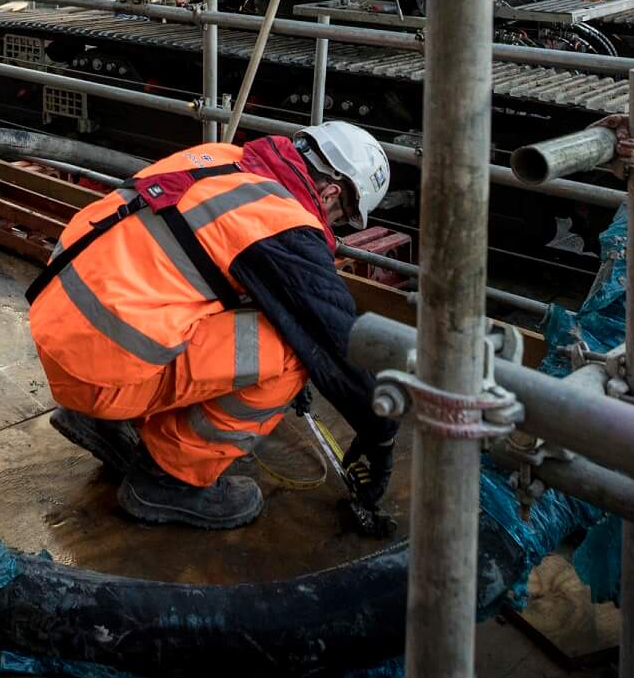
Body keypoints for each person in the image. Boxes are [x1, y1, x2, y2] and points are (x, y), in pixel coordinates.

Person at [29, 121, 397, 529]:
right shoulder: (282, 222)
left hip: (59, 330)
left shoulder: (224, 159)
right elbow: (340, 345)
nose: (332, 227)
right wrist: (380, 436)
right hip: (101, 372)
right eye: (341, 217)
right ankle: (169, 480)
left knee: (216, 295)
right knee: (295, 353)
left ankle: (106, 420)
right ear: (330, 193)